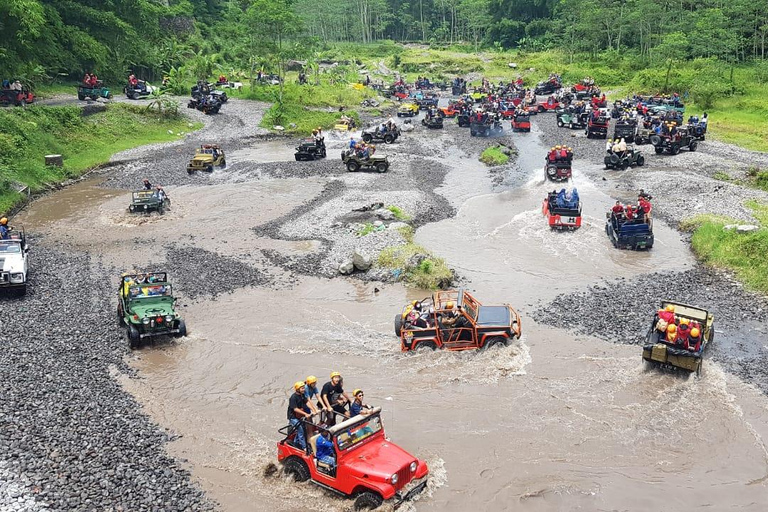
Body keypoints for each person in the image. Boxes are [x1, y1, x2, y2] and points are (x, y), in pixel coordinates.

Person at [288, 381, 311, 450]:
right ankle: (304, 448)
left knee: (301, 430)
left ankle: (295, 443)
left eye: (304, 388)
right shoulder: (293, 397)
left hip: (300, 416)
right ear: (297, 389)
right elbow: (295, 409)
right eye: (302, 388)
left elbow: (307, 402)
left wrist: (314, 410)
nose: (304, 390)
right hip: (293, 417)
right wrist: (306, 414)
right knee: (301, 430)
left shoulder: (302, 395)